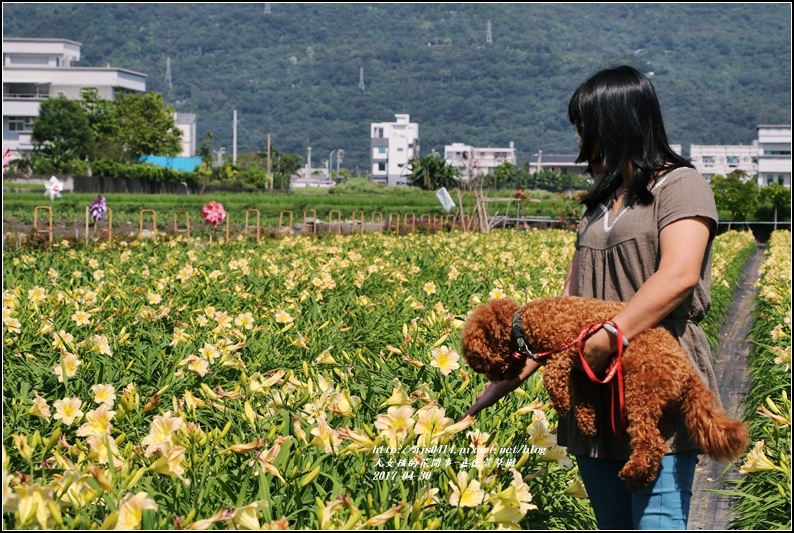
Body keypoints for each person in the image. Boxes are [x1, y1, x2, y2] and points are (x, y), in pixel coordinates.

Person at [463, 65, 720, 530]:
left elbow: (679, 275)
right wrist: (506, 379)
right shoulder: (599, 203)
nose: (582, 140)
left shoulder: (680, 185)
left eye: (585, 127)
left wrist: (609, 337)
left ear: (614, 124)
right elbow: (569, 302)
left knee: (658, 521)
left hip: (653, 373)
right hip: (595, 386)